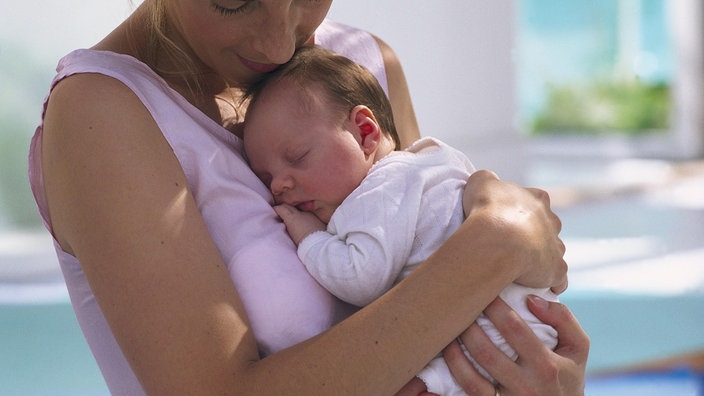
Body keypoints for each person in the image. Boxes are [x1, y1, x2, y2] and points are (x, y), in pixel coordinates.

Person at [27, 1, 589, 394]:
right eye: (232, 1)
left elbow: (431, 272)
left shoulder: (363, 64)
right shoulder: (103, 114)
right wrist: (499, 241)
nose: (278, 42)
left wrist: (541, 377)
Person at [243, 45, 561, 395]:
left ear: (365, 133)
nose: (279, 184)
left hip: (493, 337)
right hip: (531, 328)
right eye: (265, 176)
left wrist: (311, 238)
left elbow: (361, 278)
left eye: (298, 157)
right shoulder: (432, 160)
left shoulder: (379, 191)